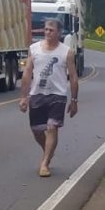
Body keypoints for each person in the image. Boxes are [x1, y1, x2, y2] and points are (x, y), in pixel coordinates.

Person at [18, 18, 78, 177]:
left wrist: (74, 101)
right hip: (37, 94)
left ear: (59, 33)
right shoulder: (34, 49)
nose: (48, 33)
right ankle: (48, 152)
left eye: (51, 30)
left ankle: (44, 163)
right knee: (37, 130)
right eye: (46, 30)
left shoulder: (67, 52)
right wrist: (24, 97)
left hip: (57, 95)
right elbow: (27, 72)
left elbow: (73, 77)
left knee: (52, 127)